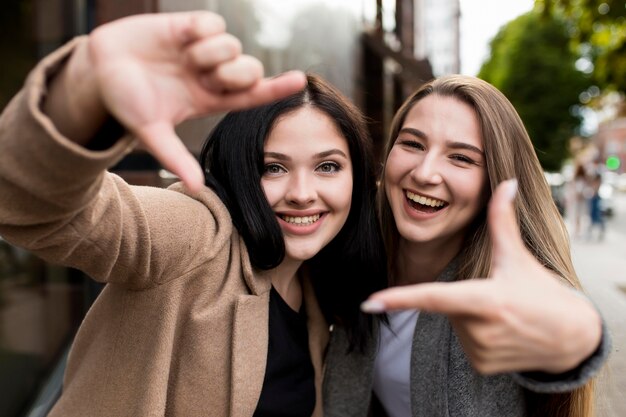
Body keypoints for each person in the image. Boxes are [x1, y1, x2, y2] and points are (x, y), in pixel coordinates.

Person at [0, 11, 386, 417]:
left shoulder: (319, 287)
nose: (303, 194)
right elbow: (40, 210)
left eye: (327, 167)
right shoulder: (198, 234)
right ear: (241, 170)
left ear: (357, 178)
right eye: (274, 167)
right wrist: (80, 93)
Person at [323, 75, 610, 417]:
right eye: (413, 144)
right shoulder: (349, 242)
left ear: (493, 182)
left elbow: (558, 314)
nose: (425, 173)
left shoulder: (496, 294)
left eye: (461, 158)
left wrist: (581, 337)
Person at [586, 173, 606, 241]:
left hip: (595, 200)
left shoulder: (597, 184)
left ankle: (592, 233)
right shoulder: (596, 183)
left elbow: (595, 191)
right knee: (594, 218)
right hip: (594, 200)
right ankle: (590, 233)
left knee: (597, 217)